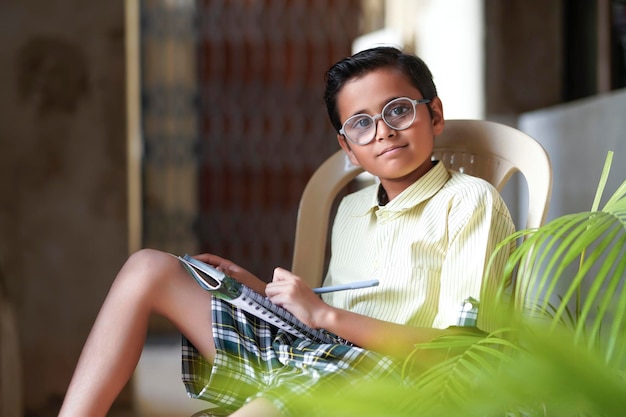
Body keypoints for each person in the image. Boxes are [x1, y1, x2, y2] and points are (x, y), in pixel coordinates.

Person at [58, 46, 515, 417]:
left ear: (434, 114)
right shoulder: (353, 208)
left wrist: (325, 317)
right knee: (149, 269)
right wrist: (259, 291)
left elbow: (464, 349)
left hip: (404, 381)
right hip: (323, 354)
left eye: (398, 111)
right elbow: (328, 319)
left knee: (273, 404)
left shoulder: (470, 200)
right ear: (348, 149)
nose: (383, 132)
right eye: (361, 123)